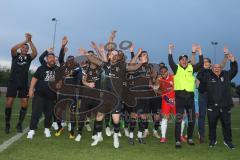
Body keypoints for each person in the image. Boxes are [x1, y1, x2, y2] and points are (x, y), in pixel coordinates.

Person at [197, 53, 238, 149]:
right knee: (212, 125)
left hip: (225, 106)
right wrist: (204, 67)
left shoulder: (227, 75)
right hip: (212, 106)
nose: (216, 68)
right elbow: (199, 76)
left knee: (226, 125)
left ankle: (228, 141)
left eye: (218, 67)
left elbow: (234, 70)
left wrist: (233, 61)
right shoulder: (208, 76)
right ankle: (212, 140)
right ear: (212, 69)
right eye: (215, 67)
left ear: (221, 68)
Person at [168, 44, 203, 148]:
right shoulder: (176, 68)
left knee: (192, 119)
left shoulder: (192, 68)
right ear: (179, 61)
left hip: (190, 98)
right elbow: (170, 61)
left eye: (185, 59)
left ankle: (190, 138)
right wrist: (170, 50)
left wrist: (199, 52)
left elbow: (201, 63)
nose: (183, 61)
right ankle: (177, 140)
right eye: (182, 59)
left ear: (187, 61)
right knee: (178, 120)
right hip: (179, 98)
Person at [4, 33, 37, 134]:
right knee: (9, 102)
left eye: (26, 48)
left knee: (25, 103)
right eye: (23, 48)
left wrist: (30, 41)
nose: (24, 49)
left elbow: (35, 53)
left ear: (27, 50)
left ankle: (19, 124)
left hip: (23, 83)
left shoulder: (29, 57)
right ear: (20, 49)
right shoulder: (15, 55)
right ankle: (7, 124)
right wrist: (24, 41)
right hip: (13, 82)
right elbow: (13, 49)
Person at [197, 47, 228, 143]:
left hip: (211, 97)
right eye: (204, 62)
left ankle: (212, 136)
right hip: (202, 96)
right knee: (202, 116)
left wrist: (225, 55)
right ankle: (201, 135)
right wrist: (203, 69)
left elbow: (221, 66)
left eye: (207, 62)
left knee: (212, 116)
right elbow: (199, 78)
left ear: (210, 63)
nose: (206, 63)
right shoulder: (201, 71)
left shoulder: (213, 72)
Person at [27, 51, 57, 139]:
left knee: (48, 114)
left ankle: (47, 129)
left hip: (51, 96)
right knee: (36, 113)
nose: (52, 59)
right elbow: (34, 78)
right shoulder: (41, 68)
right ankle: (32, 130)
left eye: (53, 57)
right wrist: (31, 89)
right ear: (47, 59)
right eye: (50, 58)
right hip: (39, 94)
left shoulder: (57, 69)